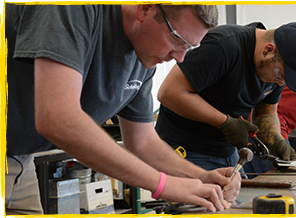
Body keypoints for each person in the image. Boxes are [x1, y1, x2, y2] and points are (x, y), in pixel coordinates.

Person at [6, 4, 240, 215]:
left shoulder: (143, 56)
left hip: (19, 163)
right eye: (177, 40)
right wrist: (163, 184)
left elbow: (143, 142)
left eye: (189, 47)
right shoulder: (74, 9)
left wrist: (200, 176)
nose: (180, 58)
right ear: (145, 9)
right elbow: (57, 118)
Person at [155, 22, 296, 171]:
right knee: (202, 205)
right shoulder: (223, 46)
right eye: (281, 77)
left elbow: (266, 112)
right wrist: (225, 123)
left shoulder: (278, 67)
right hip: (186, 148)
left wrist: (276, 141)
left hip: (228, 151)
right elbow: (169, 93)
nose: (280, 83)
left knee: (239, 203)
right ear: (268, 50)